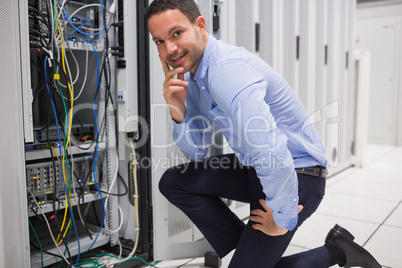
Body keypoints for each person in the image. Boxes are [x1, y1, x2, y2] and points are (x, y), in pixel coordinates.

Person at [146, 0, 381, 267]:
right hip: (257, 168)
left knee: (254, 257)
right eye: (159, 42)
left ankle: (335, 252)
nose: (170, 49)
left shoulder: (227, 71)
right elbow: (197, 151)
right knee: (174, 182)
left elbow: (269, 147)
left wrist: (281, 217)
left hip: (299, 174)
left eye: (176, 34)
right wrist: (177, 111)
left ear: (200, 26)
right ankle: (252, 252)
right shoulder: (190, 78)